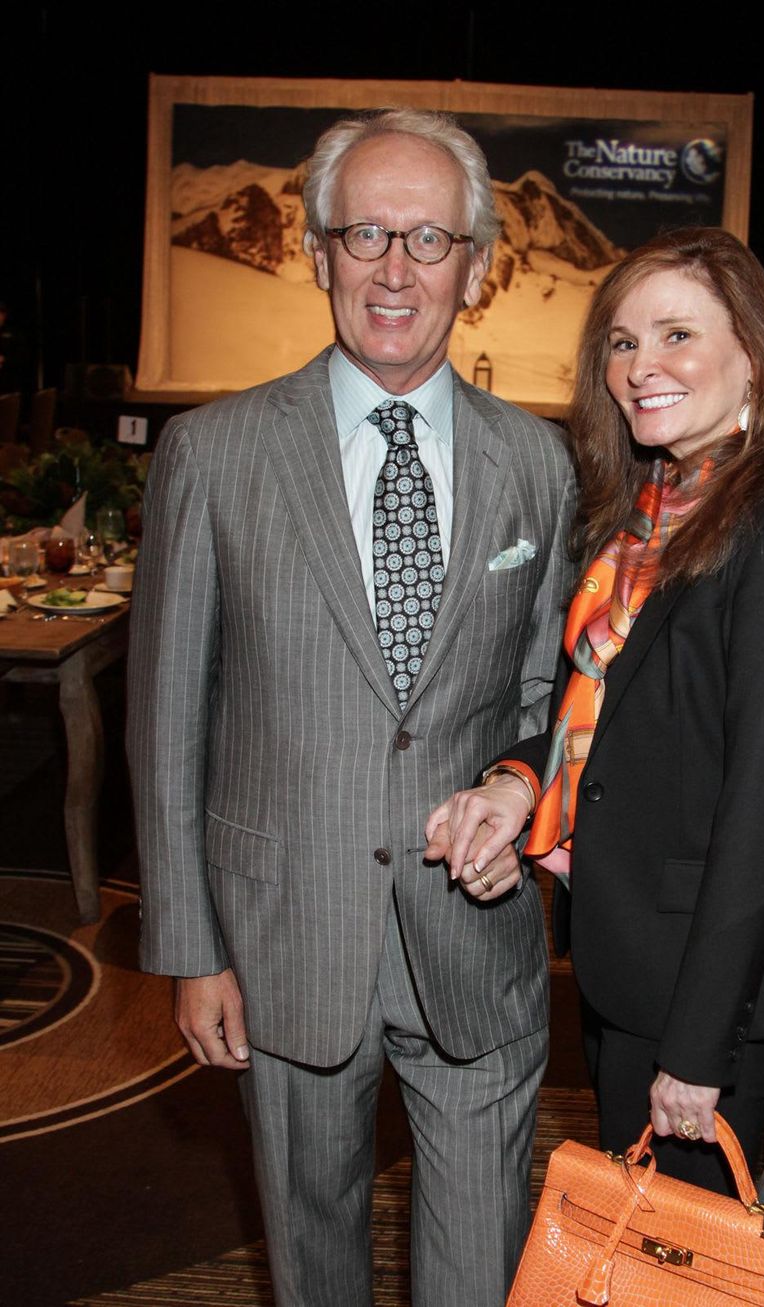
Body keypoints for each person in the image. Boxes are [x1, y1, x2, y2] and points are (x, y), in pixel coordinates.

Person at [127, 109, 575, 1306]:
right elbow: (166, 716)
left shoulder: (537, 464)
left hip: (473, 939)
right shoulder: (212, 456)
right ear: (315, 251)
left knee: (479, 1270)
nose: (394, 268)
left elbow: (546, 691)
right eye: (364, 231)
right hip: (281, 942)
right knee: (311, 1261)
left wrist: (515, 796)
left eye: (428, 241)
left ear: (475, 270)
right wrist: (190, 946)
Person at [426, 226, 764, 1195]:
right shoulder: (648, 517)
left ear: (750, 354)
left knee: (671, 1269)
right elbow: (607, 719)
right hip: (633, 953)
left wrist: (698, 1044)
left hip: (708, 994)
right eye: (621, 342)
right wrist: (517, 779)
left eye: (675, 335)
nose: (639, 367)